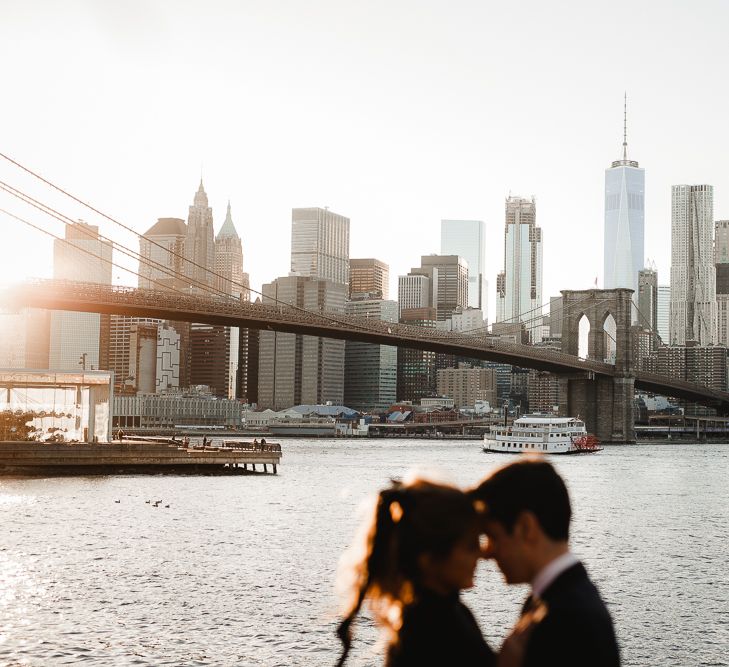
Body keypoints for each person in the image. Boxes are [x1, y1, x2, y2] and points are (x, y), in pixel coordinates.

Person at [470, 458, 620, 667]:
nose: (486, 553)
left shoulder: (566, 622)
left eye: (493, 537)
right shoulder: (560, 602)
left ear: (526, 527)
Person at [336, 477, 495, 667]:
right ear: (428, 559)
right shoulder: (433, 631)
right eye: (471, 546)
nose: (483, 554)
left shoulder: (444, 614)